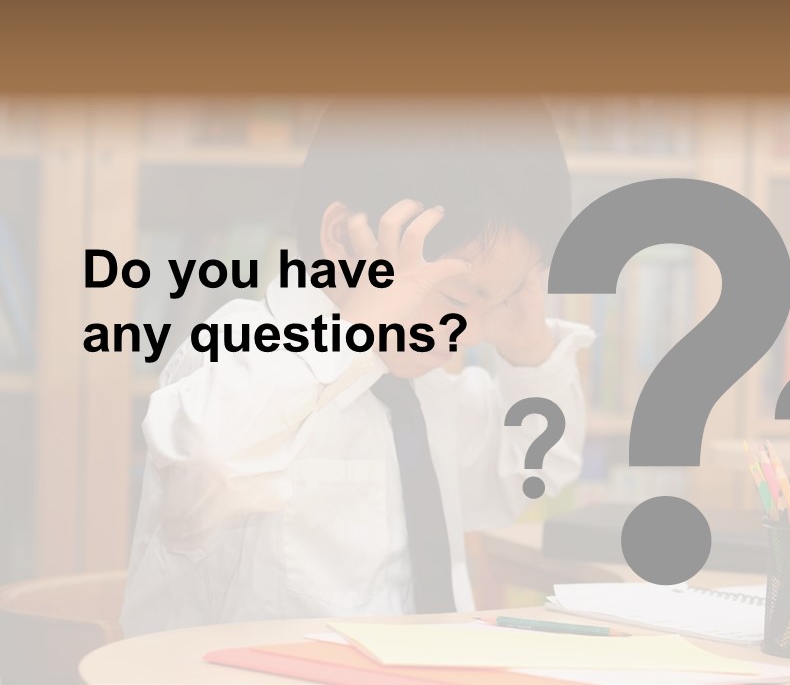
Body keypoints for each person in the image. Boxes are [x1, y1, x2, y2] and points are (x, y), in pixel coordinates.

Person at [120, 98, 594, 635]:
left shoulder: (430, 391)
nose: (474, 334)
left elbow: (536, 473)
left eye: (499, 298)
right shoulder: (240, 352)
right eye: (460, 297)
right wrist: (356, 331)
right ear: (345, 238)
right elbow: (210, 461)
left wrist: (531, 350)